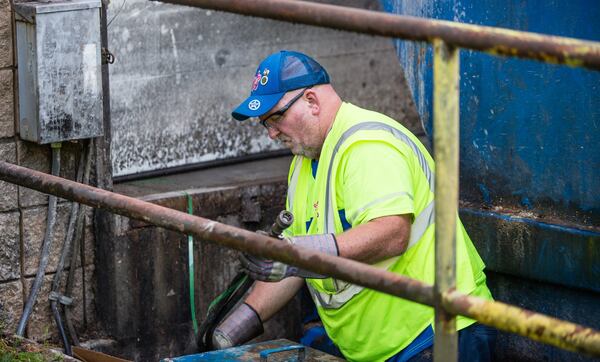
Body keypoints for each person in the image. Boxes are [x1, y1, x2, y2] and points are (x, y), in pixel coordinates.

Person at [212, 50, 496, 361]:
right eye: (263, 123)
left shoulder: (367, 145)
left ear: (311, 100)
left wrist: (294, 254)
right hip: (387, 344)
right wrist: (233, 329)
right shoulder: (304, 164)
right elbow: (294, 265)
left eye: (276, 117)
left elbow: (392, 233)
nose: (271, 133)